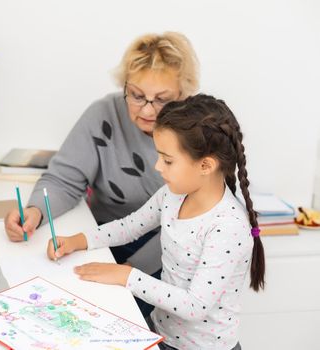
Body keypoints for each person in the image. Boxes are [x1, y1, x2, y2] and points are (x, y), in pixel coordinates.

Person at [45, 94, 265, 350]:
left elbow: (195, 305)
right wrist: (78, 241)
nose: (158, 166)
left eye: (168, 160)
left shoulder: (227, 226)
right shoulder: (173, 195)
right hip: (161, 333)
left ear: (205, 165)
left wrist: (127, 276)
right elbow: (129, 227)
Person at [4, 32, 200, 316]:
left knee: (110, 315)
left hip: (169, 251)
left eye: (161, 99)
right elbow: (64, 180)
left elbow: (188, 228)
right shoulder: (103, 114)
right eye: (136, 95)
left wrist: (128, 272)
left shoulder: (199, 131)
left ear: (183, 93)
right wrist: (34, 213)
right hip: (107, 235)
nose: (147, 109)